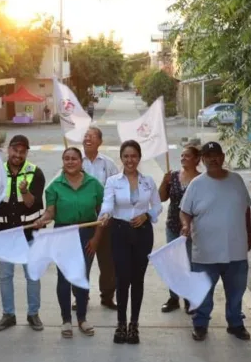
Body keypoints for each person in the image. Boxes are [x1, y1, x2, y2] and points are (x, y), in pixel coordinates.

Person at [180, 142, 251, 341]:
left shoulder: (236, 180)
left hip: (236, 250)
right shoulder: (197, 184)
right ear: (202, 160)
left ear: (222, 156)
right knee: (203, 292)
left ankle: (235, 324)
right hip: (205, 251)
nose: (213, 159)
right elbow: (184, 211)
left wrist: (249, 236)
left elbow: (245, 210)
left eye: (216, 155)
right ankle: (200, 325)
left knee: (236, 292)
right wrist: (185, 225)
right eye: (208, 156)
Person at [34, 147, 105, 338]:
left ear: (81, 161)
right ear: (62, 161)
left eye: (74, 158)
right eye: (66, 159)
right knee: (64, 279)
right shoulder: (55, 186)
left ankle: (82, 318)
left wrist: (96, 238)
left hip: (86, 233)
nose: (70, 162)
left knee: (81, 277)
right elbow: (50, 212)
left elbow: (102, 213)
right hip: (63, 234)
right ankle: (66, 320)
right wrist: (43, 219)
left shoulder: (94, 184)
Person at [99, 140, 162, 345]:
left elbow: (157, 205)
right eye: (126, 156)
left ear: (139, 157)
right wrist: (105, 214)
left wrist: (147, 215)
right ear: (121, 158)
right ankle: (121, 324)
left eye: (133, 156)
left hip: (143, 233)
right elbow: (107, 203)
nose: (130, 160)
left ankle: (134, 325)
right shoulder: (113, 181)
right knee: (122, 278)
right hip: (119, 231)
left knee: (138, 279)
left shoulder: (148, 181)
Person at [0, 134, 46, 332]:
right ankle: (8, 315)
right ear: (9, 149)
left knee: (32, 276)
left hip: (29, 236)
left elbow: (33, 202)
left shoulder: (35, 173)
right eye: (15, 150)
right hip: (3, 235)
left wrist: (24, 191)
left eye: (22, 151)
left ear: (26, 153)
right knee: (5, 277)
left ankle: (33, 314)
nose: (18, 154)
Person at [79, 126, 119, 311]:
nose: (88, 138)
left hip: (105, 219)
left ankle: (108, 296)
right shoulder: (76, 161)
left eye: (92, 136)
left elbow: (118, 189)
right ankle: (81, 296)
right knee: (81, 260)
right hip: (82, 219)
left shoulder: (108, 164)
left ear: (100, 142)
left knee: (108, 261)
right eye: (86, 136)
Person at [159, 146, 201, 313]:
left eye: (187, 156)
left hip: (195, 228)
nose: (183, 158)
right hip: (173, 226)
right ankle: (173, 298)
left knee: (190, 264)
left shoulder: (202, 179)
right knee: (174, 264)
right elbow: (161, 197)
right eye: (182, 155)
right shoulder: (174, 176)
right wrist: (164, 181)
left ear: (197, 159)